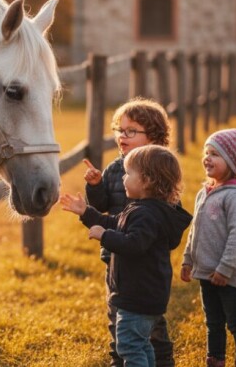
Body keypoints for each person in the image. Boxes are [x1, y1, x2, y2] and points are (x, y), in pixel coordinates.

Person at [60, 145, 192, 367]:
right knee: (141, 344)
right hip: (144, 294)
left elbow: (134, 244)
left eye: (129, 173)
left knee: (129, 345)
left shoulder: (147, 214)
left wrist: (105, 237)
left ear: (147, 181)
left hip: (138, 296)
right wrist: (86, 213)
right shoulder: (141, 208)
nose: (123, 177)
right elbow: (115, 223)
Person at [82, 97, 175, 367]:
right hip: (114, 258)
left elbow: (168, 215)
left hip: (146, 263)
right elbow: (102, 206)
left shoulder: (160, 170)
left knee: (150, 321)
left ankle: (162, 361)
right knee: (117, 314)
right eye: (120, 130)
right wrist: (96, 186)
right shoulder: (114, 168)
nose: (122, 136)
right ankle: (119, 359)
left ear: (154, 137)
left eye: (131, 131)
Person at [180, 128, 236, 367]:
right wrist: (188, 260)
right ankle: (215, 360)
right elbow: (195, 231)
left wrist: (225, 268)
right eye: (207, 152)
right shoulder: (203, 193)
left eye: (215, 154)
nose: (207, 157)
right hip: (207, 272)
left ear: (232, 162)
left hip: (230, 276)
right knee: (213, 322)